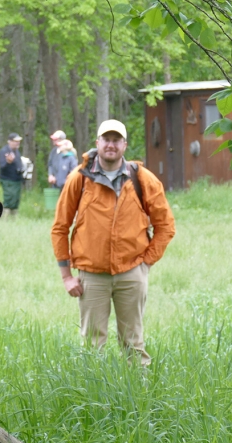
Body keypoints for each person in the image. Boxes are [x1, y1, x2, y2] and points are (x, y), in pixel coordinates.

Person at [50, 119, 175, 365]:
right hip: (91, 275)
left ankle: (139, 396)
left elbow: (166, 226)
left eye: (116, 140)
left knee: (133, 344)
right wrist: (66, 276)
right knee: (91, 346)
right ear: (97, 143)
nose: (111, 145)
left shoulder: (142, 179)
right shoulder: (80, 178)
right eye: (106, 139)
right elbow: (60, 227)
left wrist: (145, 264)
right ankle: (91, 398)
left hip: (131, 273)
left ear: (124, 145)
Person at [0, 132, 25, 215]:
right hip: (8, 179)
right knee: (9, 199)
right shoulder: (3, 151)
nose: (17, 143)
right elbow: (2, 166)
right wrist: (8, 161)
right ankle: (5, 219)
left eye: (18, 141)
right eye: (15, 141)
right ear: (9, 141)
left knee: (16, 200)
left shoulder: (17, 151)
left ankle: (13, 219)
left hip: (16, 179)